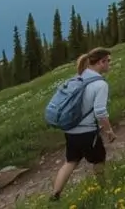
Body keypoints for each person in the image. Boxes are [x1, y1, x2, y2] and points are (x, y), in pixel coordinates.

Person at [50, 48, 115, 202]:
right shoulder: (100, 84)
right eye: (108, 61)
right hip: (88, 132)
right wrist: (109, 130)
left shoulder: (78, 78)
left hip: (71, 130)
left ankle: (54, 195)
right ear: (101, 62)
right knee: (99, 159)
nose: (109, 64)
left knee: (70, 161)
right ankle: (104, 191)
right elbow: (100, 112)